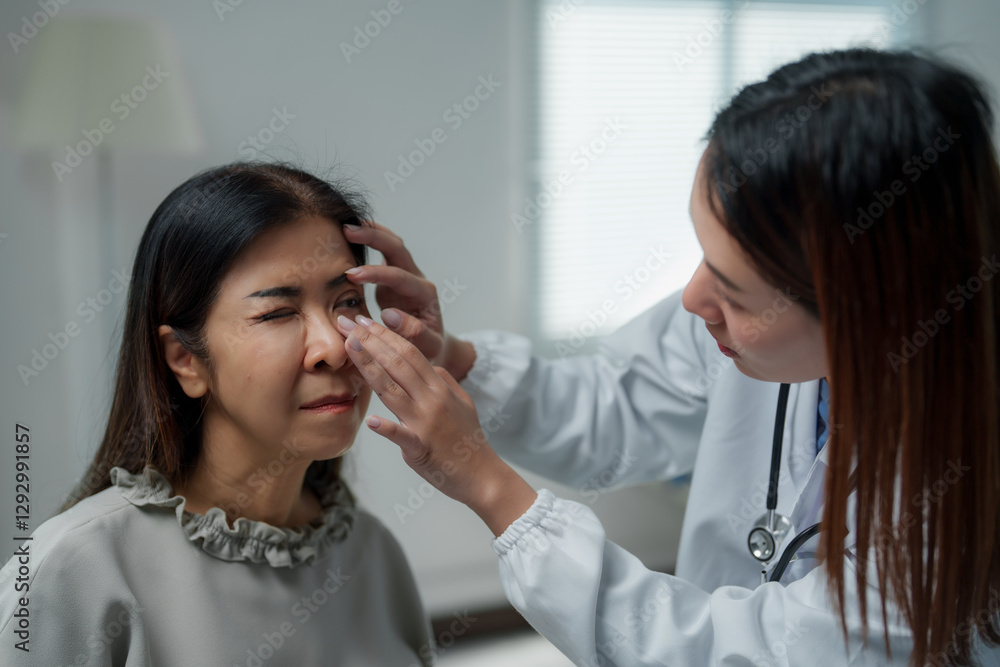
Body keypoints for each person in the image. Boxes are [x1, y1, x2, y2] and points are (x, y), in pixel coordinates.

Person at [331, 48, 1000, 666]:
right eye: (704, 256)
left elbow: (736, 654)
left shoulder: (953, 498)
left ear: (867, 313)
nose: (693, 299)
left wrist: (488, 485)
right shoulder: (748, 318)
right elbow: (614, 406)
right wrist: (453, 356)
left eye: (734, 289)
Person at [0, 163, 433, 665]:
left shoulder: (372, 554)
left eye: (348, 301)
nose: (335, 348)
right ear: (185, 359)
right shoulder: (76, 568)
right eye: (277, 313)